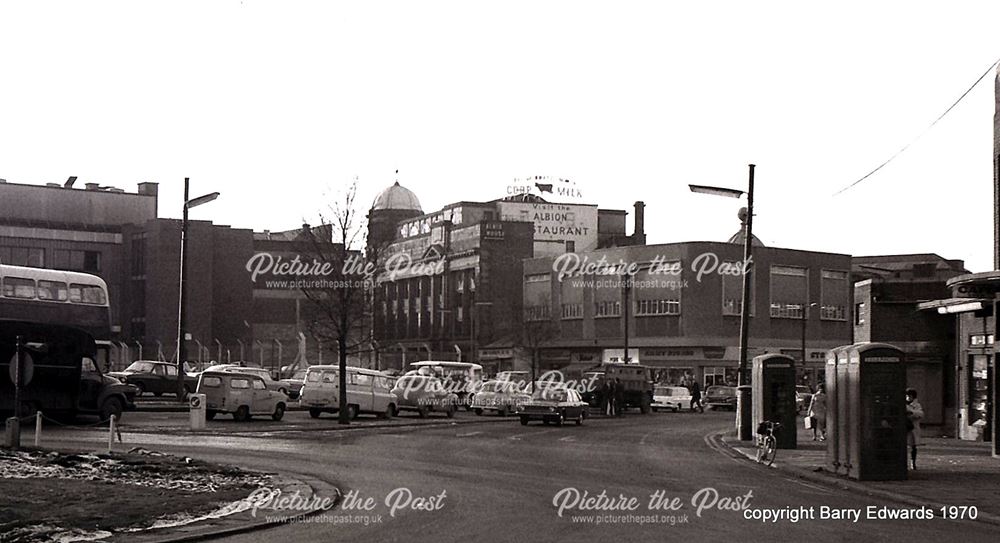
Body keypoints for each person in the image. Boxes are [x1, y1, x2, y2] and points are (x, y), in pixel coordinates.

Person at [906, 388, 924, 470]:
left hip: (913, 428)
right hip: (905, 428)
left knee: (913, 447)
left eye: (909, 396)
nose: (908, 397)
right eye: (906, 395)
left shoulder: (917, 405)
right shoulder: (904, 404)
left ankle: (913, 462)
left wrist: (911, 413)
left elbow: (921, 414)